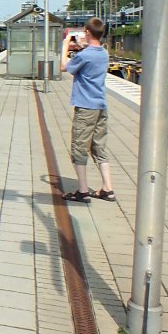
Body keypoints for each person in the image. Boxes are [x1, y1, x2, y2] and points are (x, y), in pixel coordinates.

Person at [59, 17, 116, 204]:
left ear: (88, 32)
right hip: (101, 106)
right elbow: (91, 52)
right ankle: (108, 189)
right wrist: (84, 44)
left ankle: (83, 191)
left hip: (85, 108)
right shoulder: (103, 53)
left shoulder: (85, 55)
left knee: (79, 149)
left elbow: (64, 67)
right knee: (99, 147)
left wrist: (66, 44)